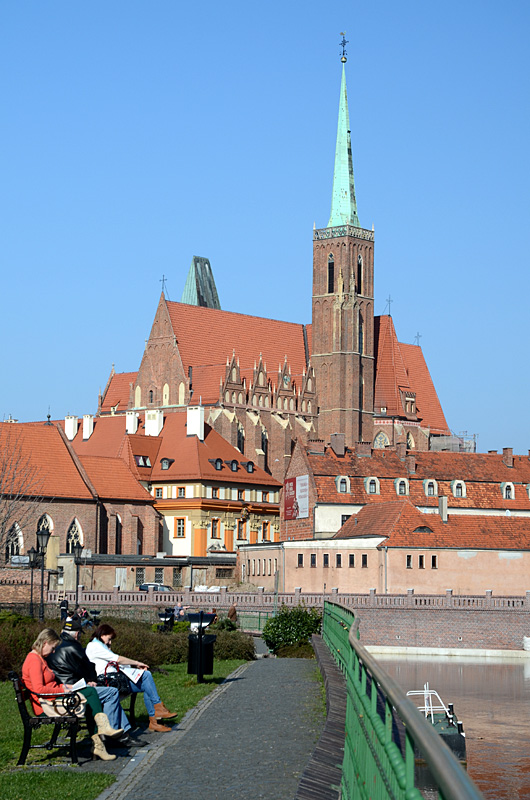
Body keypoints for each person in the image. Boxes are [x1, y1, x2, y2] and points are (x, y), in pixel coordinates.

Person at [22, 628, 123, 761]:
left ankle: (100, 740)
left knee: (90, 698)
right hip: (47, 706)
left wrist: (68, 687)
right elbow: (39, 689)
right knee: (91, 693)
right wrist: (63, 690)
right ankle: (101, 735)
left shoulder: (40, 658)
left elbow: (48, 685)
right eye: (53, 648)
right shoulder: (34, 660)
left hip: (54, 700)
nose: (53, 652)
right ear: (45, 642)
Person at [46, 616, 144, 749]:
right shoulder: (73, 647)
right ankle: (114, 734)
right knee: (111, 693)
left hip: (65, 688)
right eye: (79, 634)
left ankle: (121, 733)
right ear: (76, 634)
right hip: (72, 691)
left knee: (110, 695)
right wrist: (92, 680)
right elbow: (87, 667)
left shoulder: (56, 646)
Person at [86, 623, 177, 733]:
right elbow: (117, 659)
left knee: (147, 682)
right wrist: (137, 663)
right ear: (102, 634)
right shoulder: (94, 646)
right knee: (146, 678)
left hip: (115, 680)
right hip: (108, 683)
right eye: (109, 639)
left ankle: (155, 719)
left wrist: (135, 666)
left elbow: (118, 663)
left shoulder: (101, 646)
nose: (110, 642)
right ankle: (156, 714)